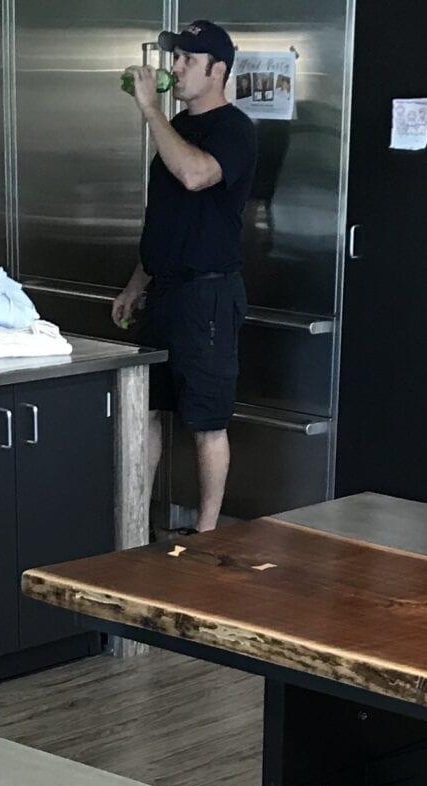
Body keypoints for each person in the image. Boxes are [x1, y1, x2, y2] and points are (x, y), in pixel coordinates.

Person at [112, 22, 257, 532]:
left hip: (208, 295)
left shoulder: (234, 129)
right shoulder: (178, 128)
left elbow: (195, 176)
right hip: (165, 291)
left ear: (217, 70)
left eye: (188, 60)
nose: (175, 68)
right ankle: (133, 521)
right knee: (147, 408)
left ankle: (207, 533)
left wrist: (151, 109)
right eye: (176, 59)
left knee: (206, 420)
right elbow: (166, 217)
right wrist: (137, 282)